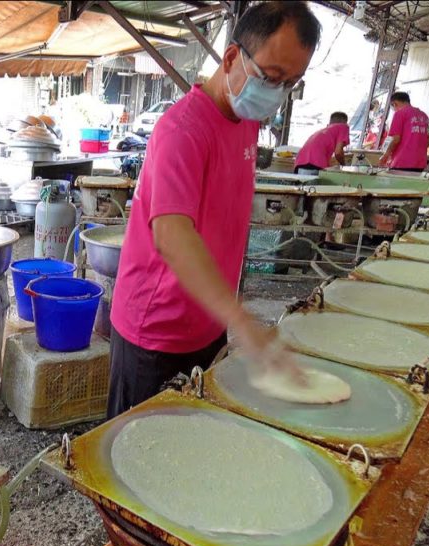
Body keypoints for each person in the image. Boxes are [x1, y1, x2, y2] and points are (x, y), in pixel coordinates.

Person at [107, 1, 320, 418]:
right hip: (156, 332)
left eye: (290, 82)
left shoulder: (245, 122)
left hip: (207, 322)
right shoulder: (183, 131)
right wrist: (243, 321)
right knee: (137, 457)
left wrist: (229, 314)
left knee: (190, 448)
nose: (276, 93)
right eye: (272, 77)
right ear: (231, 57)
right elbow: (172, 235)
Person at [379, 92, 429, 172]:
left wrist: (386, 155)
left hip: (402, 161)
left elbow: (396, 139)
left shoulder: (400, 114)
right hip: (420, 163)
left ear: (394, 104)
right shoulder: (424, 116)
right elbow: (427, 143)